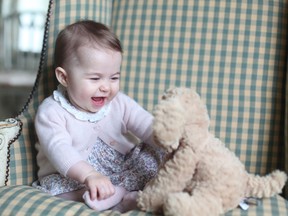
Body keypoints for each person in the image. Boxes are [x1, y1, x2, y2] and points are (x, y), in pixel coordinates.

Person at [32, 20, 164, 212]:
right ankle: (114, 198)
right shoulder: (51, 112)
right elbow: (59, 149)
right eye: (95, 78)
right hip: (75, 176)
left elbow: (145, 124)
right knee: (58, 191)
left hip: (122, 166)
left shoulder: (119, 102)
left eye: (114, 77)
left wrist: (168, 141)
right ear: (64, 77)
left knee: (156, 156)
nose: (106, 87)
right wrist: (89, 175)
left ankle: (125, 194)